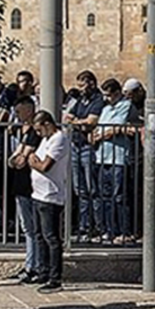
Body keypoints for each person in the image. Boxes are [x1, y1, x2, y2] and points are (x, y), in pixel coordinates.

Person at [26, 110, 68, 293]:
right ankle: (42, 271)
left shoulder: (59, 139)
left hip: (51, 195)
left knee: (51, 237)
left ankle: (55, 277)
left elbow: (44, 165)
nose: (37, 133)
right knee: (39, 235)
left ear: (47, 124)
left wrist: (33, 163)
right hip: (38, 194)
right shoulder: (45, 140)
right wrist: (32, 160)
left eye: (39, 129)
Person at [64, 71, 104, 241]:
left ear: (92, 83)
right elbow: (67, 118)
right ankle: (83, 227)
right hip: (76, 145)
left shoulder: (97, 100)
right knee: (80, 190)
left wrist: (77, 122)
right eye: (79, 85)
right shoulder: (80, 100)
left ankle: (98, 227)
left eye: (83, 85)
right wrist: (78, 122)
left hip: (88, 148)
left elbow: (91, 122)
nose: (80, 89)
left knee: (92, 189)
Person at [93, 79, 134, 244]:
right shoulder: (105, 109)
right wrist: (97, 135)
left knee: (119, 197)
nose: (106, 98)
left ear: (117, 93)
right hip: (102, 157)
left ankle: (124, 231)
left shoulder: (126, 106)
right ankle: (109, 230)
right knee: (105, 196)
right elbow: (100, 128)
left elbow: (116, 128)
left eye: (109, 95)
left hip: (118, 157)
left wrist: (101, 134)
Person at [6, 97, 42, 283]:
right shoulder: (25, 132)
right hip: (20, 184)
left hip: (31, 185)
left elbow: (20, 160)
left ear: (29, 109)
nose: (17, 116)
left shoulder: (35, 133)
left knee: (33, 228)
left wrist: (19, 157)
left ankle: (35, 266)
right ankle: (30, 265)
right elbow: (13, 159)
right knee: (27, 228)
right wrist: (18, 157)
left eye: (20, 112)